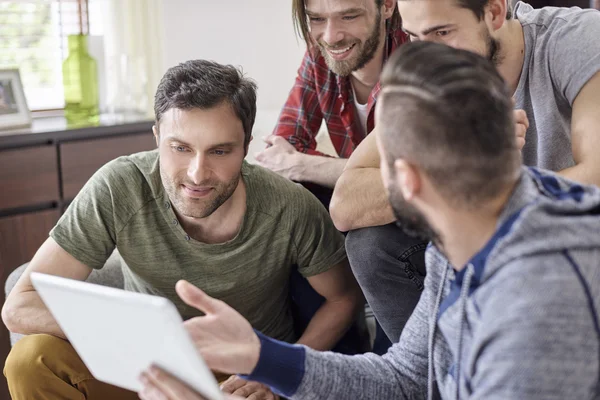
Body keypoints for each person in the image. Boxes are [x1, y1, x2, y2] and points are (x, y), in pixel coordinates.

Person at [139, 41, 600, 400]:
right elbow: (403, 379)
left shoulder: (539, 301)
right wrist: (262, 356)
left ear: (406, 180)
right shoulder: (463, 237)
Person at [2, 60, 364, 400]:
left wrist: (277, 371)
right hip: (146, 370)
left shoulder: (289, 206)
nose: (197, 174)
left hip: (241, 381)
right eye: (180, 148)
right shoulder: (119, 186)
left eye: (220, 152)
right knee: (31, 360)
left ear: (245, 147)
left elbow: (344, 298)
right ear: (157, 135)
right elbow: (20, 305)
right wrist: (127, 335)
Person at [330, 0, 600, 342]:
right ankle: (432, 376)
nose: (429, 58)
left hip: (569, 244)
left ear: (495, 12)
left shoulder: (575, 39)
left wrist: (487, 180)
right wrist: (460, 159)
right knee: (371, 244)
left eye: (442, 32)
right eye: (415, 36)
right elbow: (345, 204)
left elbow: (595, 180)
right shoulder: (426, 76)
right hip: (480, 241)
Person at [255, 0, 406, 194]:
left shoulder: (415, 58)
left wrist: (303, 165)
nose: (331, 37)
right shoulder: (319, 55)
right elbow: (279, 151)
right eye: (316, 18)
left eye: (349, 16)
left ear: (387, 6)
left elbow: (409, 178)